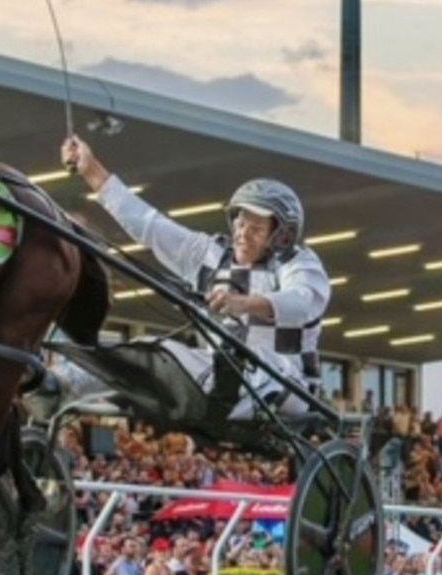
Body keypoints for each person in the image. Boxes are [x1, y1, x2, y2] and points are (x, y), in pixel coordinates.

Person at [57, 134, 331, 420]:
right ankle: (57, 383)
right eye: (239, 223)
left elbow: (302, 302)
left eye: (256, 229)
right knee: (152, 350)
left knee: (240, 362)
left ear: (281, 237)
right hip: (219, 374)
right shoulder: (207, 254)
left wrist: (244, 303)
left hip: (288, 385)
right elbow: (149, 224)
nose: (242, 235)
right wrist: (91, 171)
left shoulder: (299, 263)